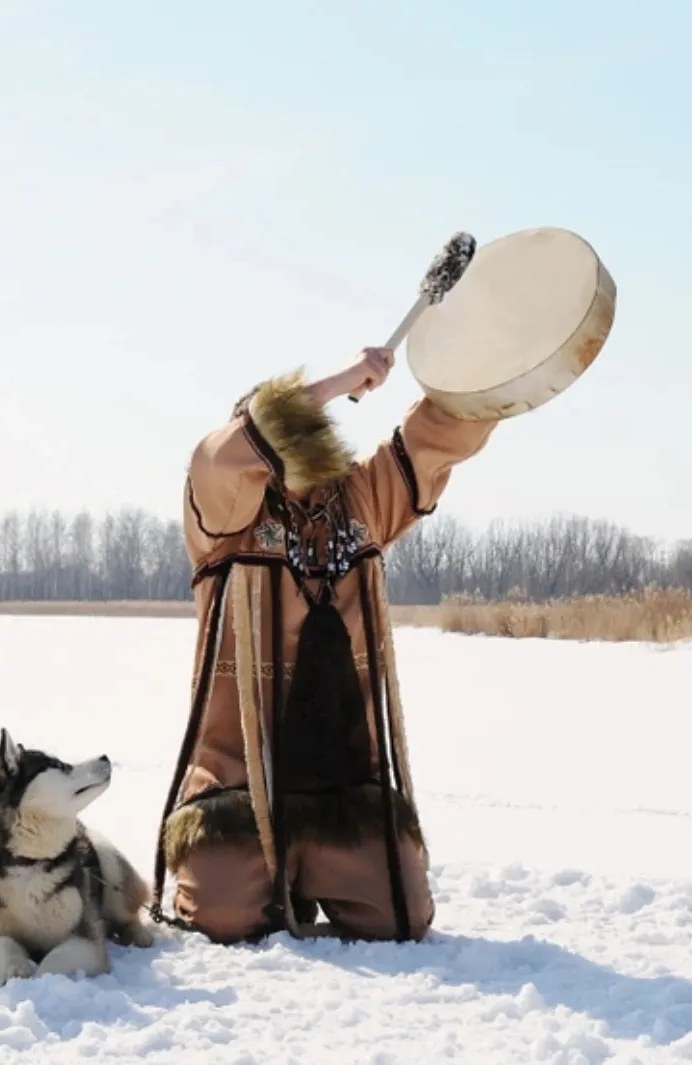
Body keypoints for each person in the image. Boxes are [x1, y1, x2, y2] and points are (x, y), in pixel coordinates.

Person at [149, 345, 497, 943]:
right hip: (238, 784)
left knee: (402, 917)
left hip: (343, 783)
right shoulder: (225, 513)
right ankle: (268, 880)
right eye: (294, 425)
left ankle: (306, 875)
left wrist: (491, 362)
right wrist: (337, 383)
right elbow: (223, 456)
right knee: (227, 919)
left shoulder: (359, 501)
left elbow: (434, 438)